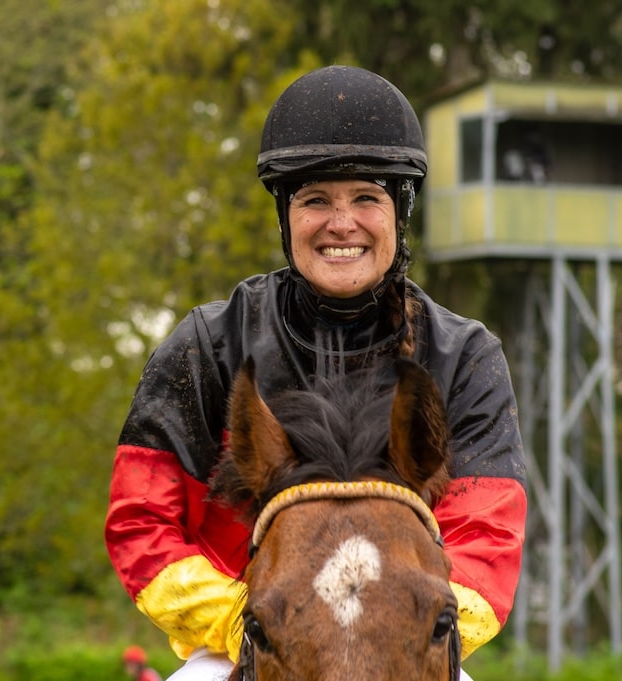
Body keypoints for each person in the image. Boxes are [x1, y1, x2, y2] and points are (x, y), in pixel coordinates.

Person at [105, 65, 527, 680]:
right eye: (316, 200)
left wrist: (394, 618)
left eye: (366, 198)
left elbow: (487, 539)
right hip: (241, 640)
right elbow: (141, 521)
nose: (341, 223)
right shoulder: (206, 344)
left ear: (399, 210)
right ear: (286, 215)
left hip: (409, 642)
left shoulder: (466, 356)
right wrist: (245, 621)